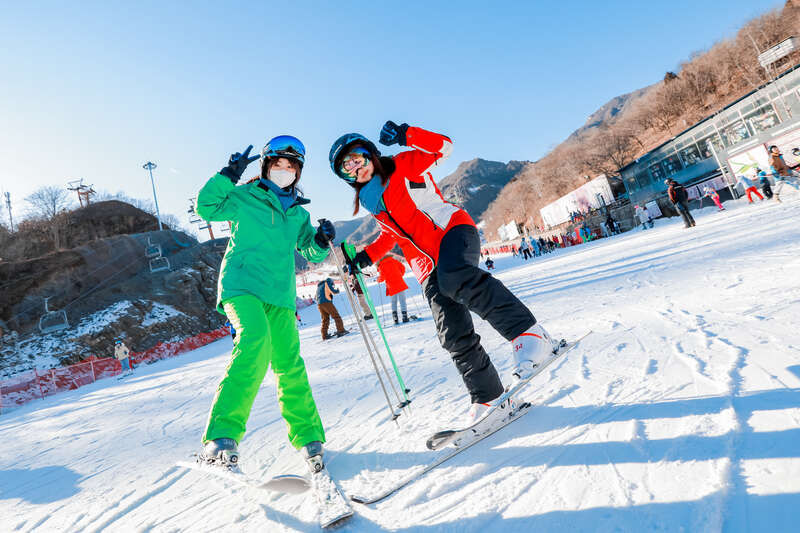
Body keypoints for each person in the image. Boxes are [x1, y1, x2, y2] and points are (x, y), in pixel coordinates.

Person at [328, 121, 563, 423]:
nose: (354, 168)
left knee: (456, 278)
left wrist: (405, 135)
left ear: (370, 154)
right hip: (427, 266)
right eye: (346, 169)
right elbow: (392, 235)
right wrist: (364, 257)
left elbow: (443, 146)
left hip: (451, 232)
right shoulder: (371, 201)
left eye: (357, 158)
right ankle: (489, 398)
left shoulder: (403, 164)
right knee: (450, 331)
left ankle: (529, 334)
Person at [195, 136, 336, 473]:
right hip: (242, 285)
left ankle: (308, 436)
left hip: (280, 294)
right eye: (278, 164)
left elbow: (310, 252)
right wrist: (227, 174)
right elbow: (206, 207)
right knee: (254, 340)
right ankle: (222, 435)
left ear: (298, 172)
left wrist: (318, 239)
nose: (284, 171)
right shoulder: (244, 197)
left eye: (291, 166)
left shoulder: (299, 214)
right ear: (266, 166)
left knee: (289, 362)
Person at [376, 255, 412, 324]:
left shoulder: (381, 265)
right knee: (402, 300)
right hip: (400, 283)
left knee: (393, 301)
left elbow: (382, 277)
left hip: (391, 286)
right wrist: (400, 274)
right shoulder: (394, 261)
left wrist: (378, 280)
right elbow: (403, 268)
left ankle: (395, 318)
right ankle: (405, 317)